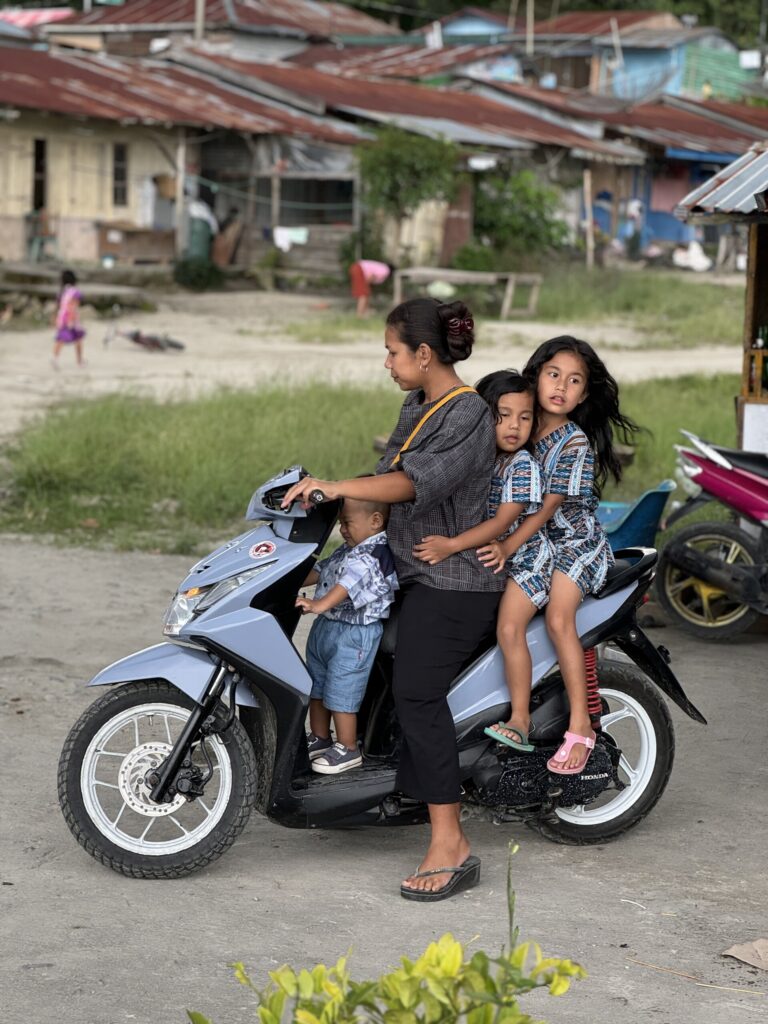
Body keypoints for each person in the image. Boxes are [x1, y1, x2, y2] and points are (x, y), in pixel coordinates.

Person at [282, 297, 503, 901]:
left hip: (454, 578)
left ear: (424, 354)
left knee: (416, 691)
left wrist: (339, 485)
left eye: (392, 351)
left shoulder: (469, 414)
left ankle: (451, 841)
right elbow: (385, 475)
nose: (387, 362)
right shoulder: (419, 404)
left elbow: (411, 483)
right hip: (409, 569)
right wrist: (321, 490)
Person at [478, 337, 638, 775]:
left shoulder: (573, 443)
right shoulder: (521, 425)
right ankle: (519, 718)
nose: (561, 387)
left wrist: (507, 546)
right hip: (535, 546)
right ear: (536, 376)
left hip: (574, 545)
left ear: (583, 395)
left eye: (574, 381)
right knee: (506, 625)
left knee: (558, 619)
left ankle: (581, 725)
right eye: (554, 375)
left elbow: (547, 508)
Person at [412, 369, 552, 753]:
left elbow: (504, 522)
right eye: (502, 416)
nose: (514, 426)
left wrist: (451, 545)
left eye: (524, 417)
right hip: (492, 560)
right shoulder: (483, 459)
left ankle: (520, 719)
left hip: (527, 562)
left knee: (509, 629)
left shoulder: (521, 465)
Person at [296, 495, 398, 775]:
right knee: (317, 685)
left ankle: (348, 747)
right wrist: (285, 580)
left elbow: (346, 584)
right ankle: (320, 737)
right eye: (341, 523)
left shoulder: (375, 554)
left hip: (355, 634)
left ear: (375, 521)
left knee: (342, 690)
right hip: (328, 627)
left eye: (347, 522)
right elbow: (322, 570)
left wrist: (318, 604)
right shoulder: (349, 548)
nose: (342, 529)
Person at [52, 269, 85, 369]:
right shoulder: (74, 292)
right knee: (77, 339)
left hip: (62, 317)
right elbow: (73, 306)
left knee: (61, 339)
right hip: (71, 318)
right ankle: (79, 361)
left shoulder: (62, 291)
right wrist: (71, 318)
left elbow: (58, 306)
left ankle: (55, 358)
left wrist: (55, 318)